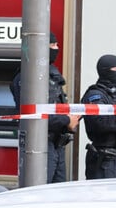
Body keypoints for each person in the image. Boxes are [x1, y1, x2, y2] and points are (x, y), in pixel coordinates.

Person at [10, 32, 80, 183]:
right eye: (53, 45)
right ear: (42, 48)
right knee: (40, 192)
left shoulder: (50, 75)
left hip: (57, 144)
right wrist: (66, 120)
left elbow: (57, 107)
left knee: (57, 195)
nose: (57, 48)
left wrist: (69, 120)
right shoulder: (27, 77)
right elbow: (33, 115)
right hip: (40, 145)